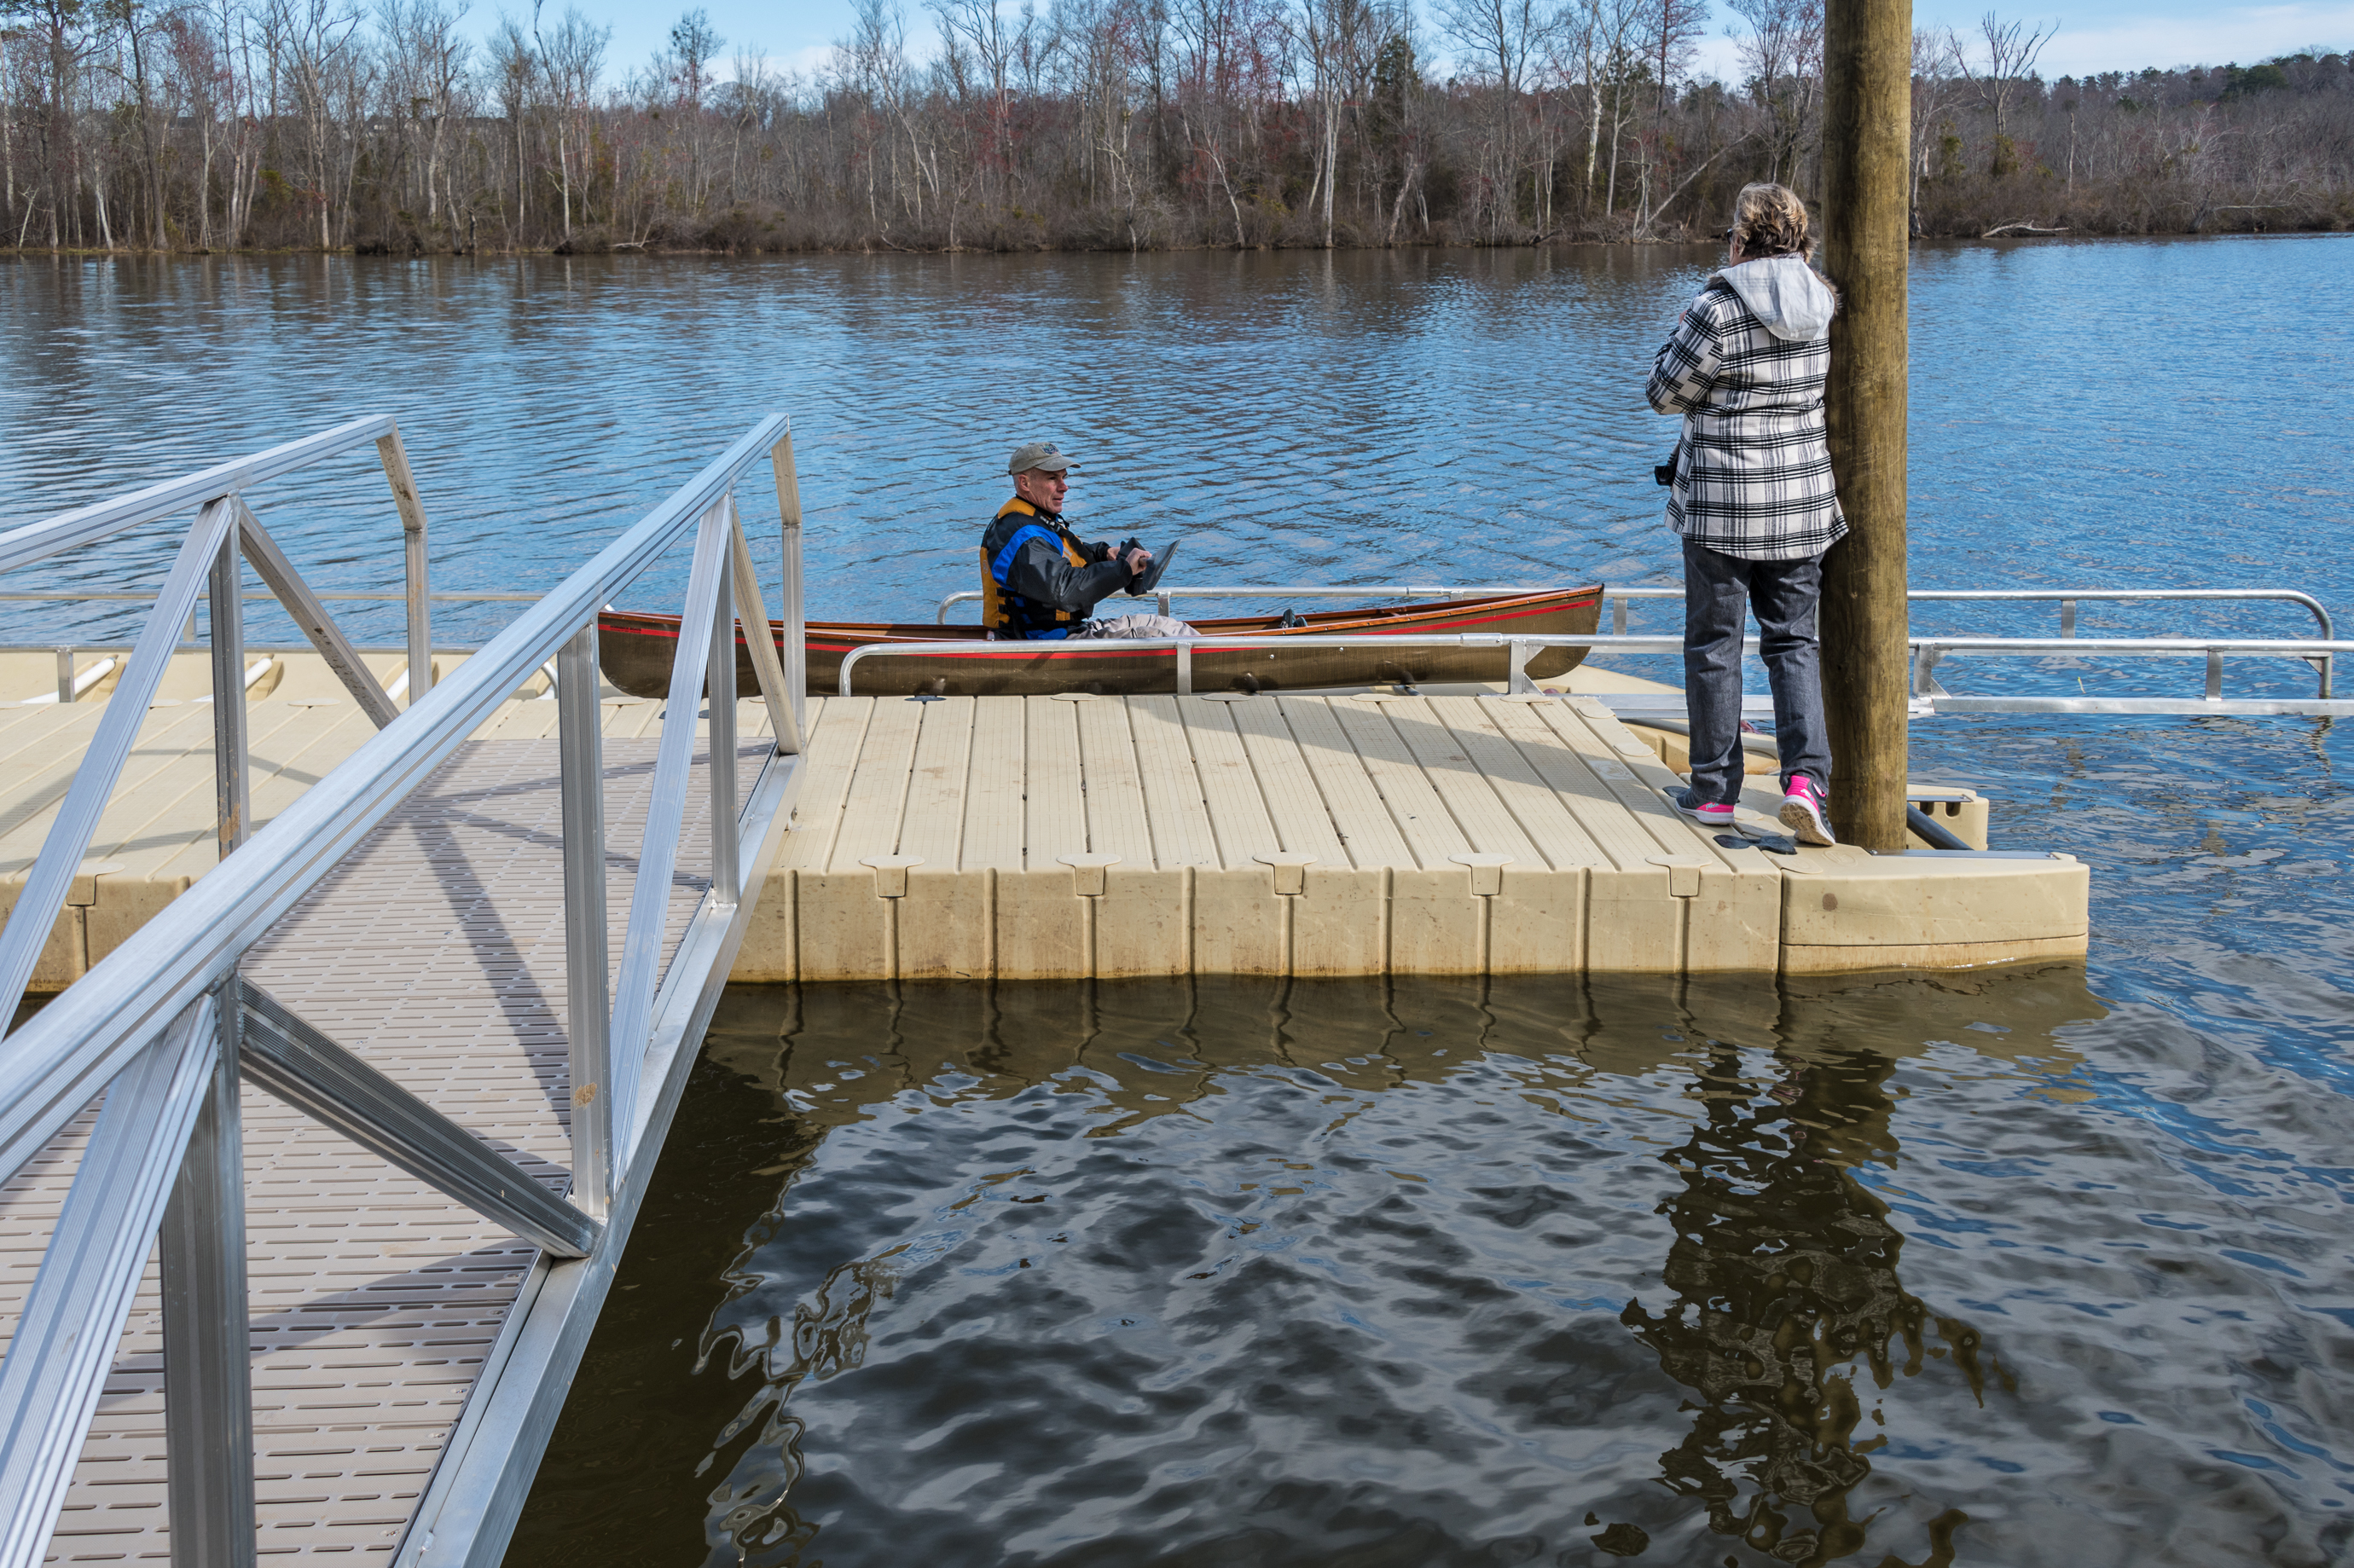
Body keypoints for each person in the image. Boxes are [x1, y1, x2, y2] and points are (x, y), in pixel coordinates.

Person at [1646, 182, 1844, 847]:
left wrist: (1683, 327)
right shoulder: (1822, 303)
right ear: (1799, 239)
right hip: (1800, 504)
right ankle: (1805, 784)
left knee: (1714, 647)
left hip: (1724, 508)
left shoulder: (1716, 307)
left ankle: (1714, 794)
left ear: (1740, 236)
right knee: (1793, 641)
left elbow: (1662, 394)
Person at [980, 442, 1196, 640]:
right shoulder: (1022, 537)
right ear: (1024, 482)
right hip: (1044, 643)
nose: (1064, 487)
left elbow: (1058, 559)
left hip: (1069, 631)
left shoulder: (1034, 519)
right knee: (1157, 636)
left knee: (1168, 625)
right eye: (1053, 478)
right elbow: (1064, 589)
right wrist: (1123, 570)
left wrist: (1103, 554)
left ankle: (1220, 657)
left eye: (1064, 478)